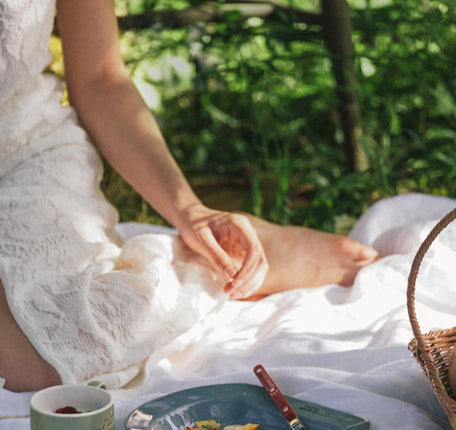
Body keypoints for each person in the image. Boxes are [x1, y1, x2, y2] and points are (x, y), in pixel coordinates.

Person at [0, 0, 378, 393]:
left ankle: (214, 262)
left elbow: (99, 78)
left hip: (23, 148)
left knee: (43, 357)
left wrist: (191, 211)